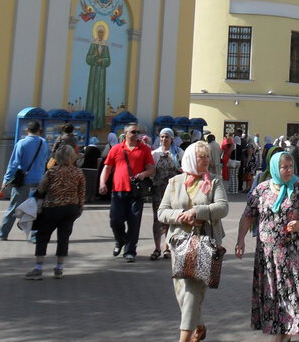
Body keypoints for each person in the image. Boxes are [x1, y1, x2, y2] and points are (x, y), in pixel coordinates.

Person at [235, 151, 299, 341]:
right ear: (274, 169)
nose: (288, 170)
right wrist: (240, 240)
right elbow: (248, 216)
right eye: (284, 167)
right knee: (272, 293)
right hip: (267, 254)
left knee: (289, 292)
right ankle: (279, 330)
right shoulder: (261, 189)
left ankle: (285, 332)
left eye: (290, 167)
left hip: (291, 252)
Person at [159, 141, 229, 342]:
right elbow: (162, 212)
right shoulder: (175, 182)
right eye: (201, 157)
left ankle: (184, 339)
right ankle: (198, 325)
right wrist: (181, 214)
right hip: (179, 243)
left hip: (204, 243)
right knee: (181, 292)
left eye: (208, 156)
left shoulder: (214, 181)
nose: (206, 160)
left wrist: (198, 212)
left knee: (191, 292)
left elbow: (222, 207)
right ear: (191, 158)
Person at [25, 144, 85, 279]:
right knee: (63, 238)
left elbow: (41, 189)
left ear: (57, 157)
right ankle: (59, 268)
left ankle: (38, 268)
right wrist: (80, 208)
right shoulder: (78, 172)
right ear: (72, 157)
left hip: (52, 207)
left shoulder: (52, 172)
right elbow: (81, 192)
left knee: (43, 237)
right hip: (71, 208)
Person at [98, 122, 154, 261]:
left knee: (134, 223)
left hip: (136, 193)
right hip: (118, 191)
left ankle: (130, 251)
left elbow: (152, 169)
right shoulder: (116, 149)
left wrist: (143, 174)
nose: (137, 135)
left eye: (138, 132)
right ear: (126, 134)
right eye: (133, 132)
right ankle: (120, 240)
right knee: (115, 220)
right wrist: (102, 183)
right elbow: (107, 168)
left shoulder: (144, 149)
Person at [0, 121, 48, 241]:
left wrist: (6, 180)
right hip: (39, 180)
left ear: (27, 130)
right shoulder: (43, 143)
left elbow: (13, 164)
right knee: (35, 208)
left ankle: (3, 232)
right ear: (39, 130)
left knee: (13, 207)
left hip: (23, 181)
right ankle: (34, 236)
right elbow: (45, 159)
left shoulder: (22, 143)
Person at [150, 128, 182, 260]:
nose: (164, 139)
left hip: (173, 191)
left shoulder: (178, 153)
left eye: (166, 137)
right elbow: (151, 171)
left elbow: (184, 169)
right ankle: (157, 247)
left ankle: (167, 247)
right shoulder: (155, 153)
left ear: (172, 139)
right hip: (158, 190)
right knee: (157, 219)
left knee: (170, 219)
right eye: (162, 137)